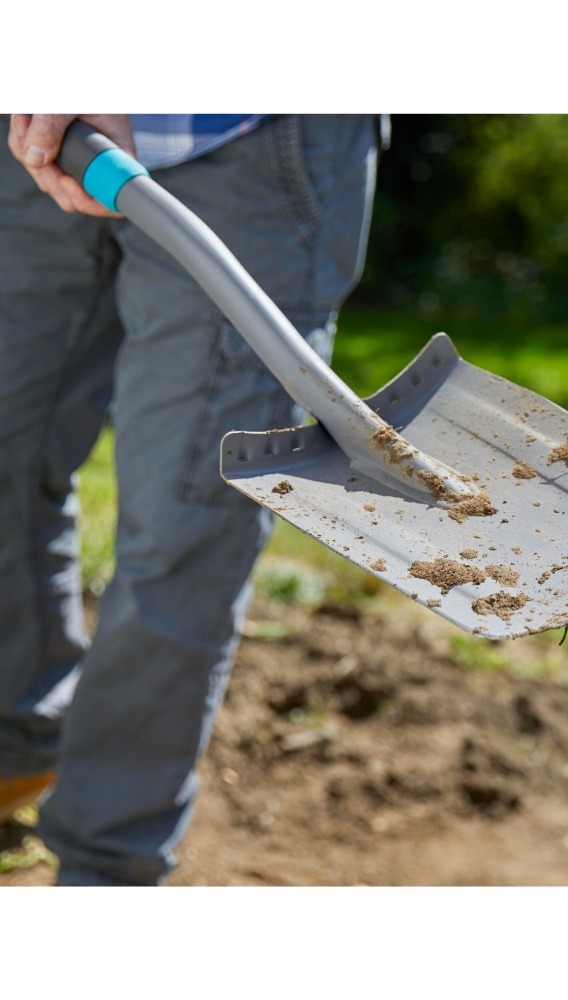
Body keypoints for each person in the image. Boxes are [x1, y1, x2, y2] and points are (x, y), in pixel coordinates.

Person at [0, 113, 383, 885]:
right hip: (32, 126)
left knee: (183, 528)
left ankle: (106, 870)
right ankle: (15, 745)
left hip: (253, 134)